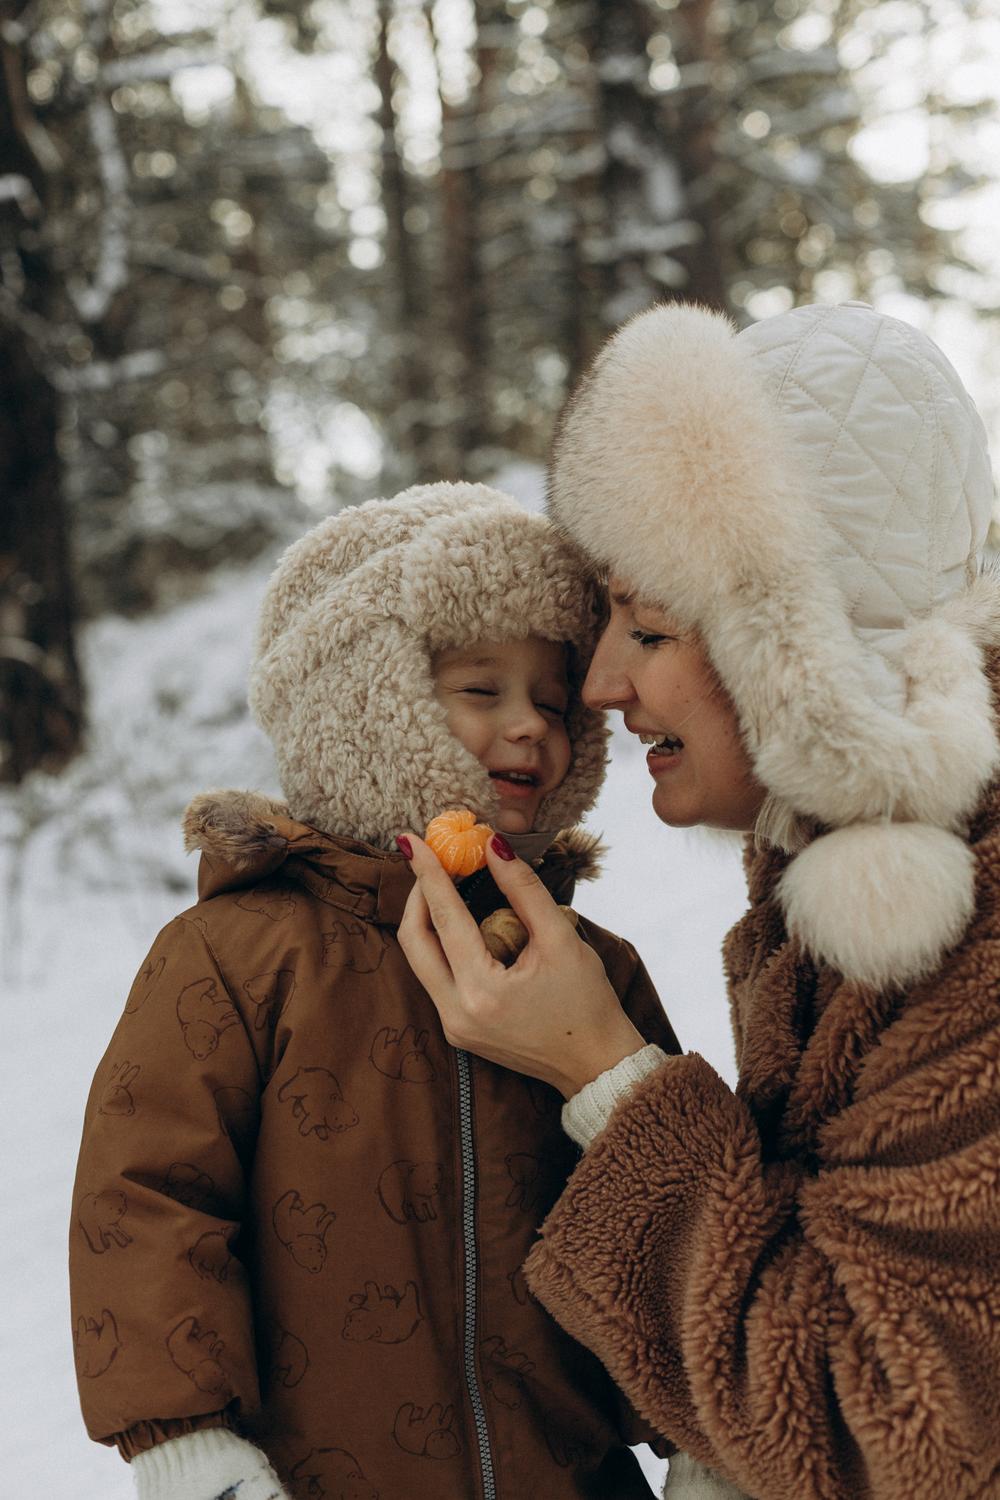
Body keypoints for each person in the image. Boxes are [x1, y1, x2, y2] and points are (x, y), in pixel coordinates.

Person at [396, 303, 1000, 1499]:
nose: (602, 680)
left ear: (804, 652)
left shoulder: (975, 931)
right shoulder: (850, 873)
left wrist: (607, 1080)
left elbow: (883, 1428)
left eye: (652, 625)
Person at [68, 481, 682, 1500]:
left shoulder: (586, 964)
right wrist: (187, 1443)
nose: (530, 727)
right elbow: (146, 1198)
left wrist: (700, 1434)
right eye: (481, 691)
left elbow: (654, 1205)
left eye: (552, 697)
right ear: (364, 699)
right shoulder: (238, 954)